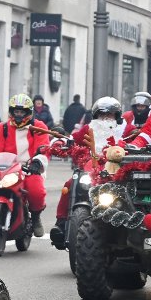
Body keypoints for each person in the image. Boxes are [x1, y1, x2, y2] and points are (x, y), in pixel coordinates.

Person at [51, 96, 134, 238]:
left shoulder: (127, 130)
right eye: (102, 114)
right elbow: (73, 138)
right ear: (96, 115)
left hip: (117, 171)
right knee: (70, 184)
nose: (106, 118)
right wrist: (61, 141)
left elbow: (139, 140)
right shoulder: (89, 128)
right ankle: (61, 222)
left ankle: (132, 220)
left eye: (110, 114)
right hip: (92, 168)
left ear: (117, 116)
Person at [0, 93, 51, 236]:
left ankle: (36, 217)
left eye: (22, 112)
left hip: (29, 168)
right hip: (5, 168)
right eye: (16, 111)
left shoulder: (39, 127)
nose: (18, 115)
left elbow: (44, 147)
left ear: (28, 112)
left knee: (36, 191)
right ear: (11, 112)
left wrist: (37, 162)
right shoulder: (1, 127)